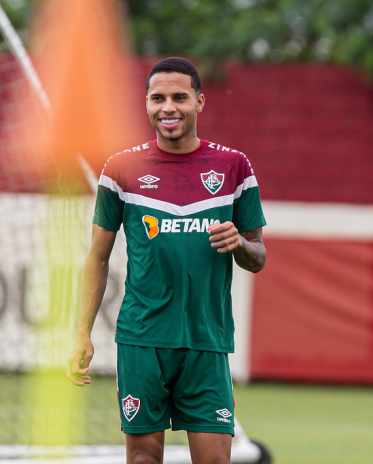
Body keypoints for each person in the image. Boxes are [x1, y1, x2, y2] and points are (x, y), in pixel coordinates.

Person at [67, 57, 267, 464]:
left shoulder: (234, 167)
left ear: (200, 101)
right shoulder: (120, 169)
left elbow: (258, 256)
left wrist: (240, 245)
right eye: (158, 98)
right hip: (143, 339)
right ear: (146, 103)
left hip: (206, 341)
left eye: (179, 97)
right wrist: (82, 333)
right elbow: (97, 258)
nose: (168, 107)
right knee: (143, 458)